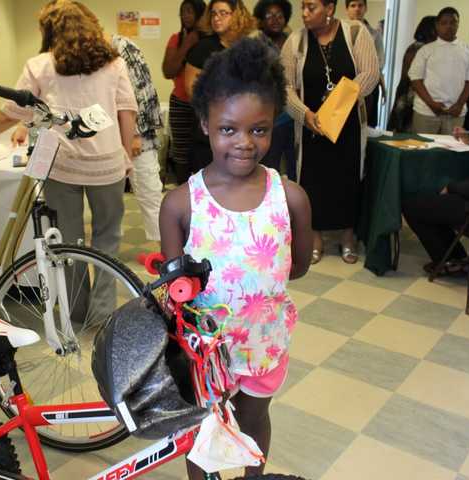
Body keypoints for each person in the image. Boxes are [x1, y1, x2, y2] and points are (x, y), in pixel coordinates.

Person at [159, 37, 313, 479]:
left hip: (263, 343)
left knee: (254, 420)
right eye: (228, 129)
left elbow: (295, 268)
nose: (244, 142)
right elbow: (176, 293)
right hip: (206, 350)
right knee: (205, 427)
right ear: (205, 124)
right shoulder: (181, 205)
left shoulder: (292, 199)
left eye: (258, 130)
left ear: (273, 125)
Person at [0, 1, 137, 314]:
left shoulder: (41, 65)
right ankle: (103, 312)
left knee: (69, 242)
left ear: (49, 30)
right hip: (107, 165)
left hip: (63, 166)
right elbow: (127, 110)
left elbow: (10, 112)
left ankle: (77, 311)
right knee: (107, 239)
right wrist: (125, 154)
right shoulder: (113, 63)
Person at [280, 0, 378, 264]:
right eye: (303, 7)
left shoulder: (356, 32)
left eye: (311, 7)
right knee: (312, 182)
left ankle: (348, 237)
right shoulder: (295, 41)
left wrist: (339, 103)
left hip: (348, 129)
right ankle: (315, 238)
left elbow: (370, 74)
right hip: (311, 128)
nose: (304, 13)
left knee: (348, 181)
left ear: (330, 8)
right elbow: (285, 87)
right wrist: (305, 114)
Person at [402, 64, 469, 274]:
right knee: (437, 203)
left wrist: (450, 187)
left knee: (413, 203)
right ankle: (456, 258)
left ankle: (451, 260)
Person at [184, 0, 257, 177]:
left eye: (223, 13)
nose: (217, 18)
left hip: (245, 128)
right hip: (212, 127)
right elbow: (191, 89)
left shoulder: (249, 46)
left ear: (237, 15)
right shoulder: (203, 47)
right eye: (214, 14)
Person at [409, 7, 469, 135]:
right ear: (437, 25)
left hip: (456, 112)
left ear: (458, 24)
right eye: (444, 23)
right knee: (423, 151)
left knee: (451, 151)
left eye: (453, 22)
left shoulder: (468, 50)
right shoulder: (426, 50)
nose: (449, 26)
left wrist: (459, 104)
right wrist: (431, 104)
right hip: (426, 111)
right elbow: (415, 79)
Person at [163, 0, 207, 185]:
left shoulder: (209, 42)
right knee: (180, 152)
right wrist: (187, 44)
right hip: (180, 101)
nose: (186, 16)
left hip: (203, 104)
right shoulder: (176, 39)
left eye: (190, 12)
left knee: (202, 149)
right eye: (183, 12)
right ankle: (182, 192)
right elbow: (168, 71)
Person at [254, 0, 297, 181]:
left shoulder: (294, 43)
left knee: (295, 168)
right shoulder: (255, 45)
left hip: (294, 116)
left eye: (279, 16)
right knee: (268, 169)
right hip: (268, 118)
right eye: (269, 16)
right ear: (261, 20)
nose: (275, 20)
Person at [388, 15, 437, 132]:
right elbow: (410, 76)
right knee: (406, 131)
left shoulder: (430, 48)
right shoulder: (418, 48)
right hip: (411, 94)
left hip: (418, 95)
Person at [345, 0, 384, 127]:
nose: (357, 9)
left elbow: (379, 61)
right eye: (353, 6)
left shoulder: (374, 34)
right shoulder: (339, 31)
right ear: (347, 9)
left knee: (366, 123)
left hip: (369, 84)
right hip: (345, 82)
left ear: (366, 8)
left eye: (360, 5)